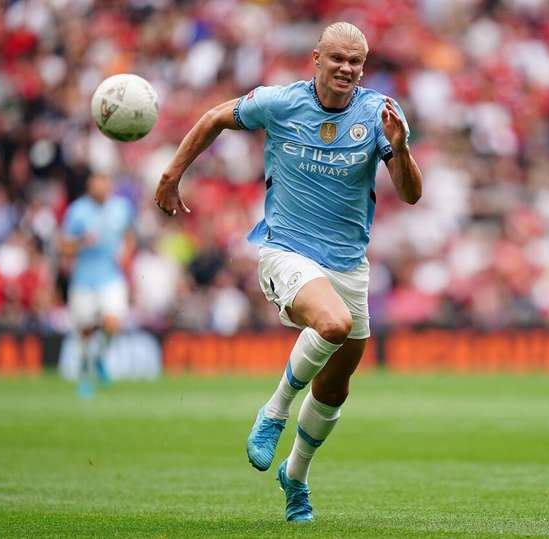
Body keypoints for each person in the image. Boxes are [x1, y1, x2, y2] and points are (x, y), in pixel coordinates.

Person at [155, 21, 422, 522]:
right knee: (333, 325)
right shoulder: (279, 102)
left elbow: (410, 194)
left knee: (335, 388)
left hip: (348, 264)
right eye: (337, 58)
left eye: (356, 62)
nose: (346, 69)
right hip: (286, 251)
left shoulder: (380, 113)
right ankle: (273, 411)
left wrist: (401, 149)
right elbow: (215, 117)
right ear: (316, 58)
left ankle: (295, 477)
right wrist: (172, 173)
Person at [61, 172, 135, 398]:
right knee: (85, 329)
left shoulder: (121, 207)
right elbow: (64, 247)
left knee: (112, 322)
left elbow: (129, 234)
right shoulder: (77, 211)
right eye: (96, 183)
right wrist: (82, 241)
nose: (100, 187)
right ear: (89, 186)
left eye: (104, 182)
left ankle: (99, 357)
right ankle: (85, 373)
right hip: (84, 277)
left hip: (110, 276)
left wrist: (126, 255)